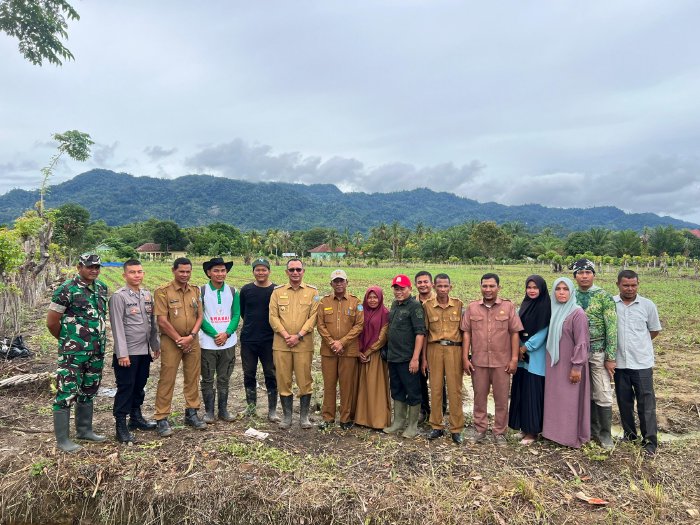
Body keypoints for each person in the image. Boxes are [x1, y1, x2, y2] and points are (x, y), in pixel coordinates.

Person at [47, 253, 108, 452]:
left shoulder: (101, 289)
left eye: (97, 267)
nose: (94, 270)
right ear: (79, 267)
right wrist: (68, 341)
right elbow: (52, 322)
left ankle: (84, 430)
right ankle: (63, 440)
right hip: (72, 353)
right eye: (89, 266)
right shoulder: (66, 290)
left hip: (96, 351)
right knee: (66, 392)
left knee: (89, 390)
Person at [461, 273, 523, 445]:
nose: (488, 289)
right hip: (479, 362)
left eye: (491, 286)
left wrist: (514, 358)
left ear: (498, 288)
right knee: (479, 397)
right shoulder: (472, 308)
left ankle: (499, 432)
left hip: (502, 362)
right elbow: (467, 333)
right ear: (480, 287)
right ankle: (480, 429)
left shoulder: (508, 307)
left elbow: (514, 333)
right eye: (484, 286)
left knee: (501, 398)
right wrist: (465, 358)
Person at [109, 259, 160, 444]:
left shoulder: (147, 295)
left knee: (139, 386)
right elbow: (117, 327)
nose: (137, 275)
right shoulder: (119, 297)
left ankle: (136, 419)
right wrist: (122, 353)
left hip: (143, 351)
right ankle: (120, 426)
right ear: (125, 275)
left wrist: (155, 345)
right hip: (127, 352)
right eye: (132, 272)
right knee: (126, 388)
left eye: (139, 271)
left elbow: (152, 323)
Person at [153, 257, 206, 437]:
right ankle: (161, 417)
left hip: (192, 340)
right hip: (171, 341)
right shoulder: (162, 292)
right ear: (173, 271)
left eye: (188, 271)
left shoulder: (195, 291)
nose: (185, 275)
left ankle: (191, 412)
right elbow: (162, 320)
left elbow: (200, 316)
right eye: (181, 271)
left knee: (193, 376)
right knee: (167, 378)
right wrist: (179, 340)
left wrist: (190, 337)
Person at [613, 270, 662, 455]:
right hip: (619, 364)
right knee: (624, 401)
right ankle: (630, 435)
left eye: (633, 285)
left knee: (646, 403)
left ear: (638, 284)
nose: (630, 289)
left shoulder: (647, 305)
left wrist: (638, 345)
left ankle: (650, 442)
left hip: (641, 363)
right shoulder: (611, 304)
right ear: (618, 284)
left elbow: (654, 331)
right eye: (626, 285)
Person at [269, 258, 320, 429]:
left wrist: (298, 336)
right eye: (292, 270)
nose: (295, 273)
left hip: (303, 344)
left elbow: (313, 317)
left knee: (304, 380)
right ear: (286, 272)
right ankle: (287, 416)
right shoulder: (277, 292)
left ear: (303, 271)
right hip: (281, 344)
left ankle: (304, 417)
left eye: (298, 269)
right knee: (283, 380)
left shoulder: (313, 292)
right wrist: (286, 335)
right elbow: (273, 317)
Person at [572, 258, 617, 449]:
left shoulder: (603, 297)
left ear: (593, 275)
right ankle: (587, 429)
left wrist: (611, 356)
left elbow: (612, 328)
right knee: (580, 392)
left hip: (597, 352)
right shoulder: (570, 295)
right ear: (574, 276)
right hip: (574, 353)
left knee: (602, 391)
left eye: (588, 272)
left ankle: (605, 433)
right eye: (580, 273)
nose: (584, 276)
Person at [542, 277, 591, 448]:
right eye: (558, 289)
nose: (561, 292)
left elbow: (582, 342)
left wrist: (577, 367)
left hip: (570, 365)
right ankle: (552, 433)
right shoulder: (553, 310)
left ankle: (568, 436)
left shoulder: (577, 313)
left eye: (565, 289)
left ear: (572, 292)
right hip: (554, 364)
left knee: (569, 400)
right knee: (554, 397)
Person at [316, 270, 364, 430]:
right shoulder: (323, 302)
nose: (338, 284)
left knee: (346, 385)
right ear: (331, 284)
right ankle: (328, 418)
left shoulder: (356, 302)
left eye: (341, 281)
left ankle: (345, 418)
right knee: (329, 385)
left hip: (348, 352)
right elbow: (320, 325)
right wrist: (332, 343)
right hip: (328, 352)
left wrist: (342, 342)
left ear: (346, 282)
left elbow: (359, 325)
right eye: (335, 281)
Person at [421, 273, 464, 444]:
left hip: (454, 350)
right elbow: (424, 334)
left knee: (455, 390)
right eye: (439, 286)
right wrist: (423, 358)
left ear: (450, 287)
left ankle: (456, 428)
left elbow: (464, 332)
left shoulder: (459, 305)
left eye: (446, 286)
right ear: (434, 287)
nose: (443, 289)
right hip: (434, 348)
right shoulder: (427, 306)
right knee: (436, 388)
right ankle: (436, 426)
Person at [508, 275, 550, 446]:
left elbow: (543, 332)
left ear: (542, 289)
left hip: (535, 360)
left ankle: (533, 432)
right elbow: (515, 328)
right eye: (529, 287)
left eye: (535, 287)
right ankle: (523, 428)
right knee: (522, 392)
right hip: (521, 358)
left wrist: (525, 347)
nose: (532, 291)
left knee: (533, 394)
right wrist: (517, 346)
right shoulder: (523, 306)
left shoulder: (547, 308)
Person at [383, 274, 426, 438]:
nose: (398, 291)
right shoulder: (395, 304)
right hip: (393, 357)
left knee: (413, 391)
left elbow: (420, 333)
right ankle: (398, 422)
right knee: (397, 390)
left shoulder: (415, 306)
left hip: (407, 359)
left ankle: (412, 426)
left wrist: (415, 358)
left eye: (402, 288)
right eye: (396, 288)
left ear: (410, 289)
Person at [199, 257, 240, 423]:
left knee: (224, 378)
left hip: (228, 343)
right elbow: (199, 317)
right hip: (208, 343)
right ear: (209, 273)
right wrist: (215, 334)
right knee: (207, 378)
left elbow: (236, 314)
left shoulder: (232, 291)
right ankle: (209, 412)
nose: (220, 273)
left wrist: (227, 333)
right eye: (216, 270)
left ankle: (223, 410)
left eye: (223, 270)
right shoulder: (200, 291)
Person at [239, 257, 279, 421]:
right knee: (249, 374)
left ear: (269, 271)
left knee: (271, 374)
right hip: (249, 339)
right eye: (257, 269)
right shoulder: (246, 290)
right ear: (253, 271)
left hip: (269, 340)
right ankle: (251, 408)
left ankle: (272, 411)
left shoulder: (276, 290)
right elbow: (243, 312)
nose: (261, 272)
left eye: (264, 269)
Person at [355, 287, 391, 430]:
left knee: (376, 387)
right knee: (363, 387)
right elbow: (356, 331)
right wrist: (358, 351)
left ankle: (378, 421)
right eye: (369, 297)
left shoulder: (385, 313)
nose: (372, 300)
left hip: (375, 355)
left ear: (380, 298)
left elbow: (382, 337)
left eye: (375, 297)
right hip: (360, 354)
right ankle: (362, 419)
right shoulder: (361, 312)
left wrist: (368, 352)